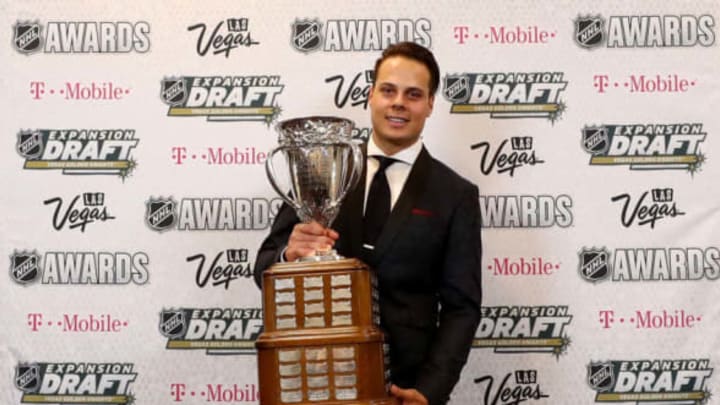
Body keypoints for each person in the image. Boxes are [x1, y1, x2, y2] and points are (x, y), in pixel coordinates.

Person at [254, 42, 482, 405]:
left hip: (403, 391)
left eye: (413, 94)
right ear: (370, 95)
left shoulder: (455, 195)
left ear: (430, 104)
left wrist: (430, 390)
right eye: (388, 90)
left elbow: (462, 307)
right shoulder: (321, 172)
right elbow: (262, 268)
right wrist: (287, 256)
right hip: (318, 383)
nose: (398, 103)